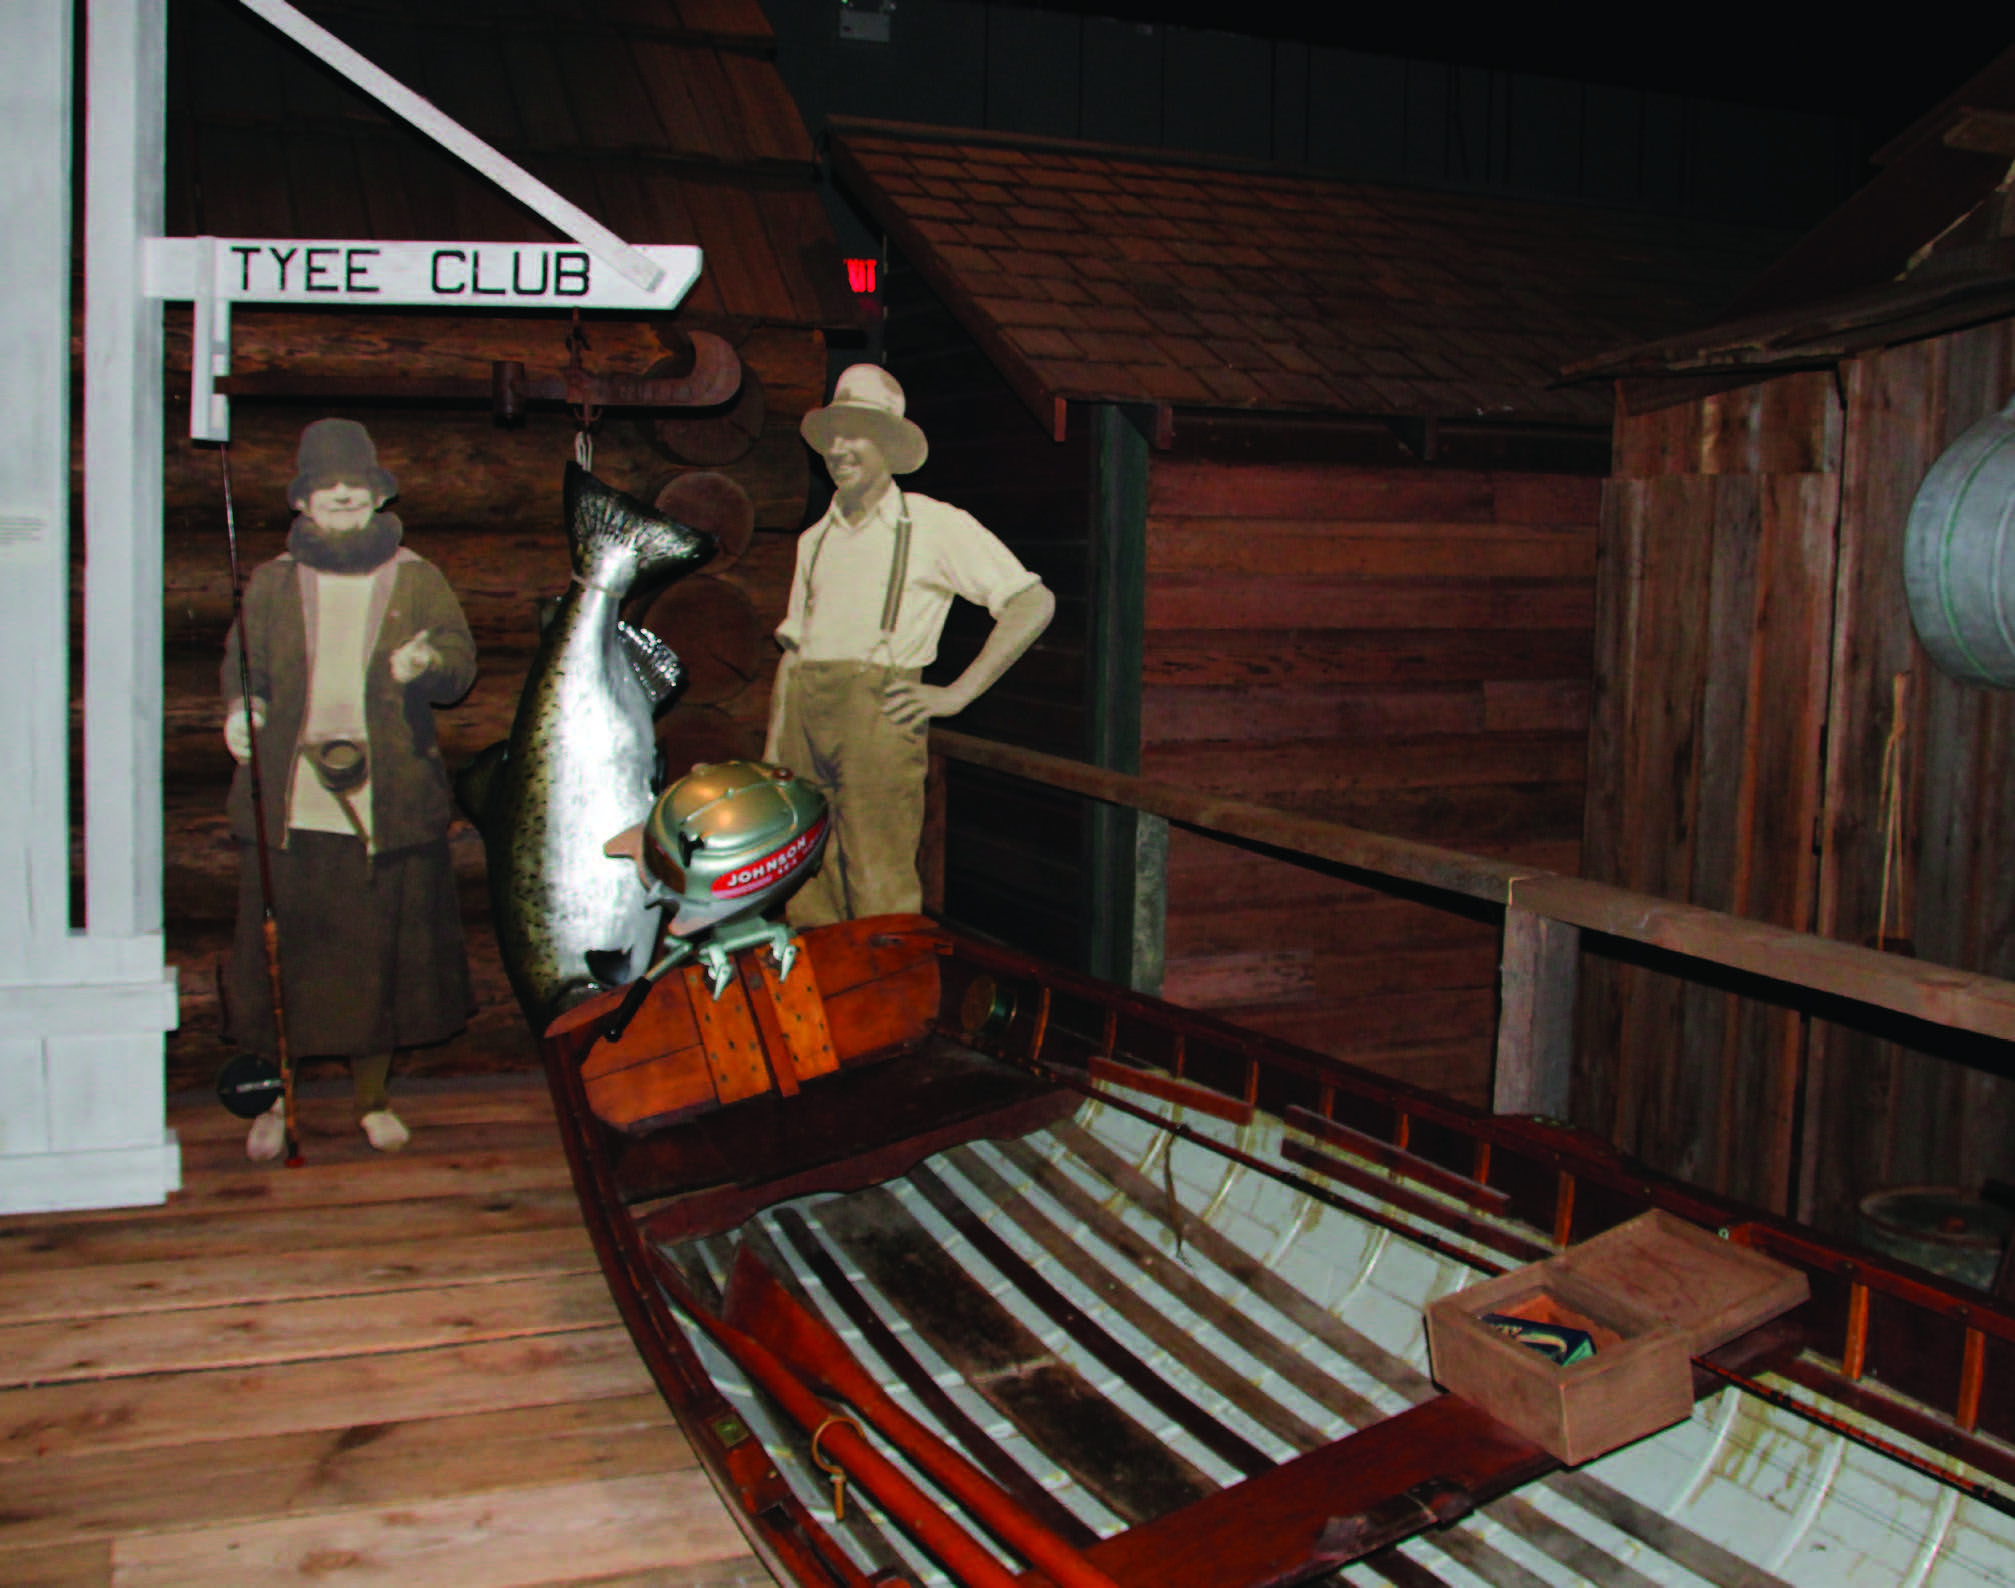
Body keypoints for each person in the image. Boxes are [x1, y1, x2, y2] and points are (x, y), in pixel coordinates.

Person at [223, 418, 477, 1160]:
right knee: (281, 953)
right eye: (325, 486)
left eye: (355, 485)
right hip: (291, 798)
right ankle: (276, 1102)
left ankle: (373, 1100)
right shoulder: (272, 583)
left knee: (376, 954)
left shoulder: (416, 577)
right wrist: (244, 710)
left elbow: (459, 665)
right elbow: (244, 670)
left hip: (385, 797)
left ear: (374, 497)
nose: (341, 495)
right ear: (303, 502)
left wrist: (425, 664)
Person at [765, 364, 1054, 926]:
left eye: (858, 434)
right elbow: (794, 651)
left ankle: (890, 1008)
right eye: (833, 437)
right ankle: (824, 1006)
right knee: (802, 877)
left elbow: (1032, 603)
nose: (841, 450)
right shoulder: (814, 540)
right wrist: (775, 753)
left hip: (878, 719)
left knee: (878, 881)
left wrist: (957, 694)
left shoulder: (932, 525)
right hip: (804, 718)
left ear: (890, 446)